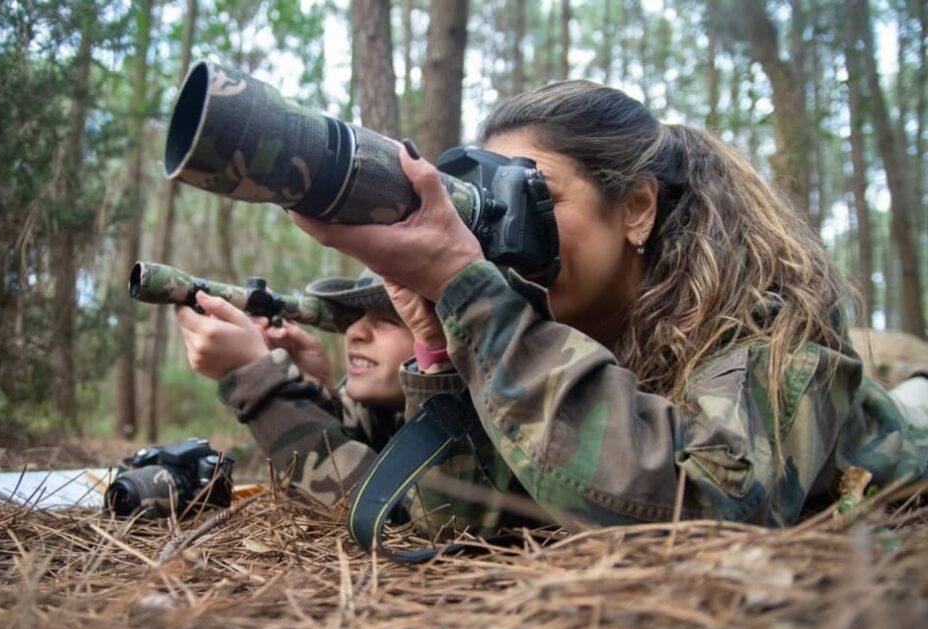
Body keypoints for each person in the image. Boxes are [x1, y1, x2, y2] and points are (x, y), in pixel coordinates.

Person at [289, 79, 928, 529]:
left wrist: (477, 299)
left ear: (636, 209)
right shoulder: (546, 327)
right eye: (496, 209)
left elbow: (712, 508)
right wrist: (438, 346)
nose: (511, 236)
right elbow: (470, 518)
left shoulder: (760, 320)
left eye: (538, 198)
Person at [174, 269, 413, 506]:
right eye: (356, 318)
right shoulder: (382, 409)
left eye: (385, 321)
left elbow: (388, 510)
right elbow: (353, 462)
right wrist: (313, 393)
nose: (353, 331)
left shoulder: (451, 422)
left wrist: (255, 378)